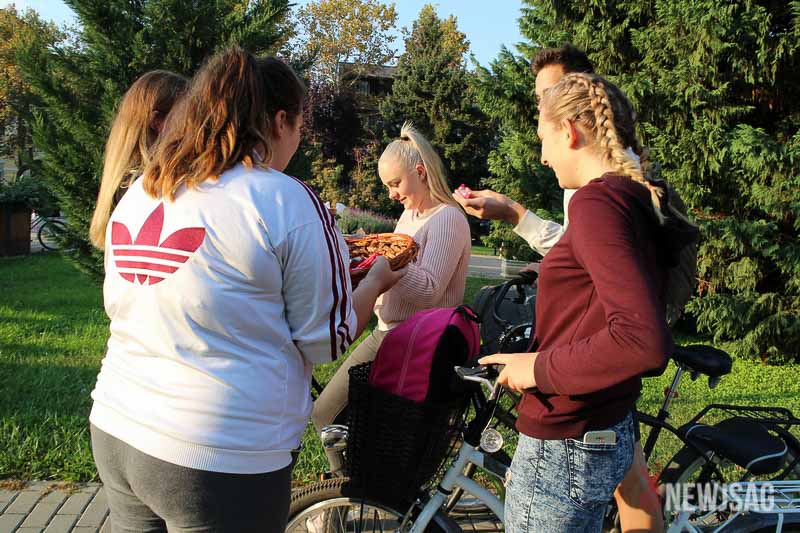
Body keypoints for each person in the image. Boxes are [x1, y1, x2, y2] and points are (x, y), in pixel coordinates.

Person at [89, 46, 404, 533]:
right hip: (218, 453)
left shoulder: (146, 187)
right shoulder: (285, 197)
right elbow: (324, 339)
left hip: (117, 424)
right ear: (279, 121)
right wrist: (377, 281)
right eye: (299, 127)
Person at [454, 44, 695, 533]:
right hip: (601, 420)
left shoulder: (596, 203)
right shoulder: (631, 195)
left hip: (565, 441)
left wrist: (537, 367)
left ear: (569, 131)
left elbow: (642, 339)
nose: (543, 157)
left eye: (543, 139)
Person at [312, 121, 472, 471]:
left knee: (332, 414)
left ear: (420, 172)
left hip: (416, 340)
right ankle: (349, 487)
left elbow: (429, 290)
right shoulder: (410, 215)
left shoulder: (448, 219)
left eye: (395, 184)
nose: (391, 194)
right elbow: (390, 269)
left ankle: (349, 490)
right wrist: (371, 265)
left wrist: (382, 262)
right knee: (334, 416)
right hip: (390, 333)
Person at [89, 70, 189, 249]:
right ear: (157, 122)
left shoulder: (124, 182)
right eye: (186, 116)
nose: (194, 125)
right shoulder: (148, 185)